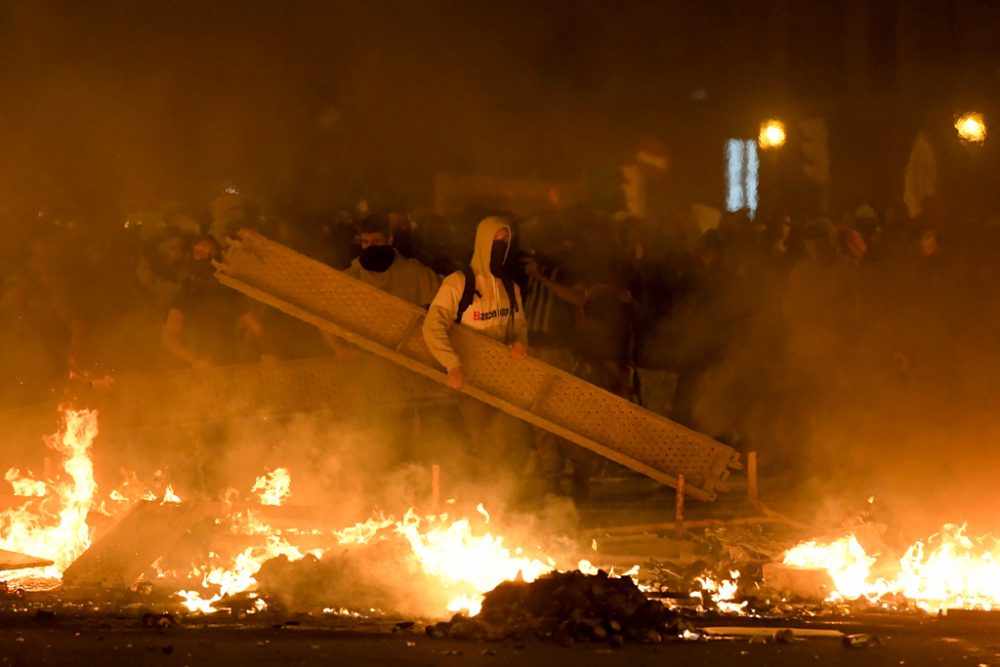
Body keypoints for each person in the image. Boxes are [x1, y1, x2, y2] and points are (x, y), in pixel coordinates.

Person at [422, 216, 531, 480]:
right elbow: (432, 326)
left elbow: (518, 327)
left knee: (512, 442)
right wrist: (453, 364)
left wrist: (520, 344)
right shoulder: (458, 283)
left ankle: (503, 500)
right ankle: (482, 498)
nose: (500, 247)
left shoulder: (510, 287)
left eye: (505, 242)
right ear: (482, 242)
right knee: (486, 441)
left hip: (503, 380)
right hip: (469, 381)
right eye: (495, 241)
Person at [161, 235, 272, 370]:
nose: (208, 259)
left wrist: (268, 353)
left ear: (220, 255)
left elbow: (256, 328)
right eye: (200, 254)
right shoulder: (186, 292)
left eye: (213, 253)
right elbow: (169, 337)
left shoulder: (229, 289)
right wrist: (193, 359)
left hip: (230, 361)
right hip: (196, 370)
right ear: (192, 257)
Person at [344, 216, 439, 307]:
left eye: (376, 241)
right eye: (365, 242)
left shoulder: (415, 272)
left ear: (389, 240)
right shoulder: (351, 276)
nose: (370, 247)